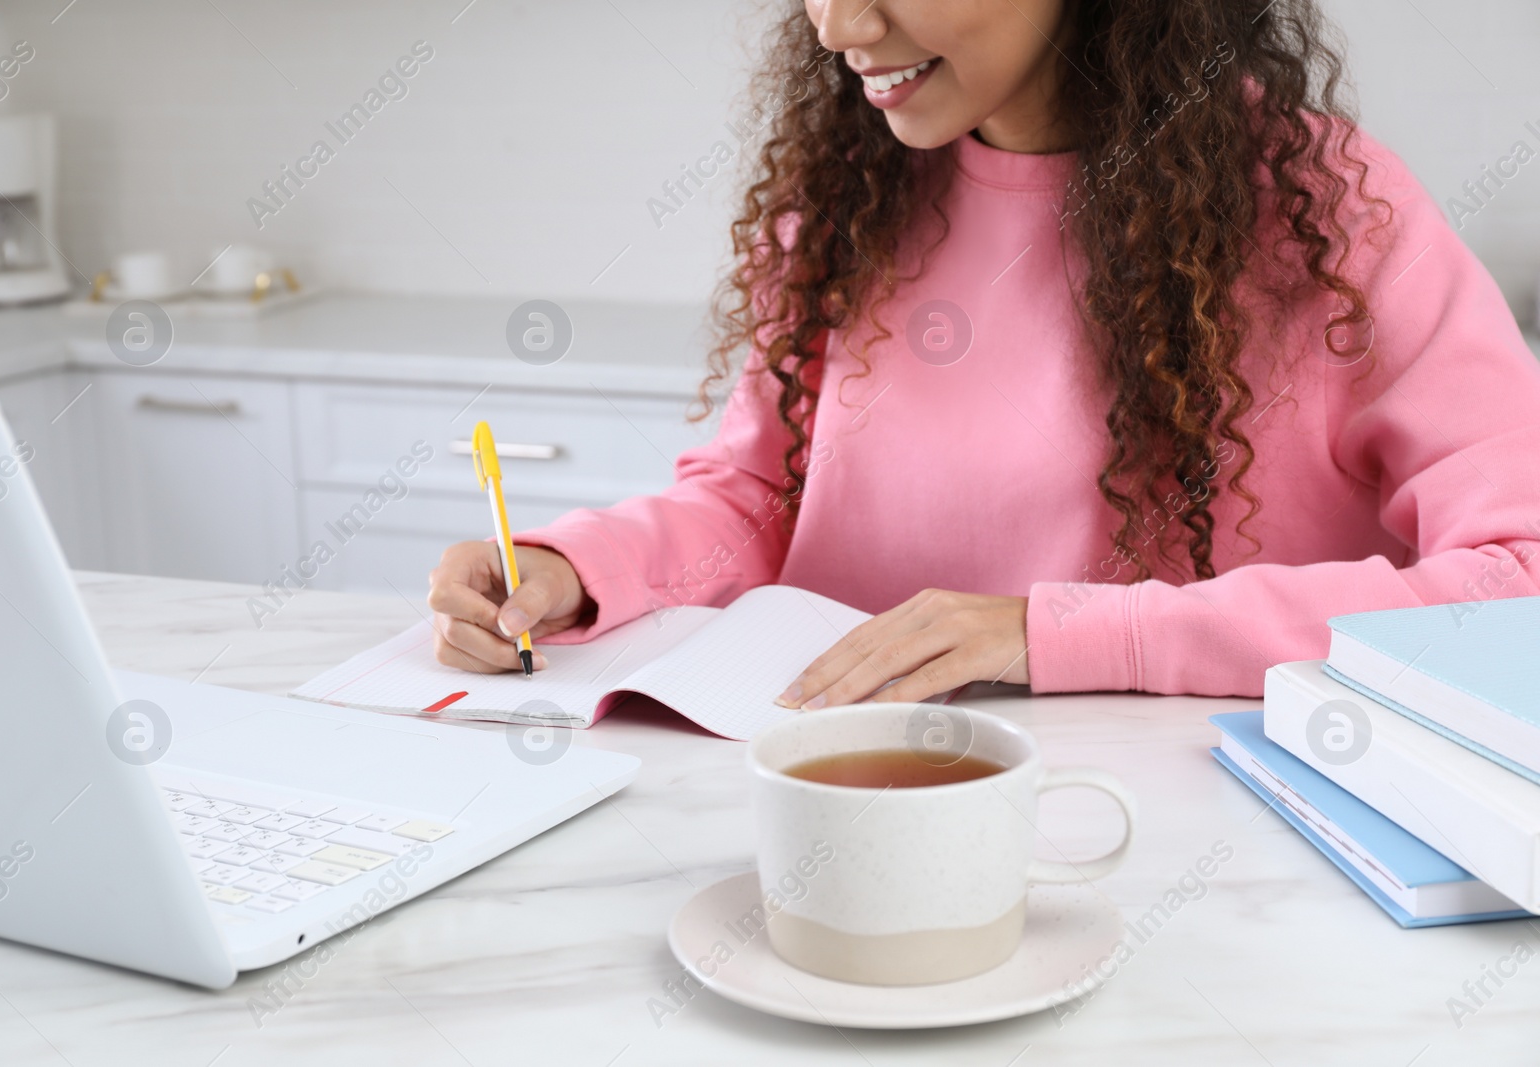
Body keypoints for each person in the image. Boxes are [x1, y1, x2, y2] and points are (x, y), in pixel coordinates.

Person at [428, 0, 1540, 704]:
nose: (836, 25)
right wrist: (574, 570)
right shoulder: (845, 199)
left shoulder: (1327, 216)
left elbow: (1515, 588)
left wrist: (1053, 633)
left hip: (1184, 842)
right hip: (844, 798)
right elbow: (760, 494)